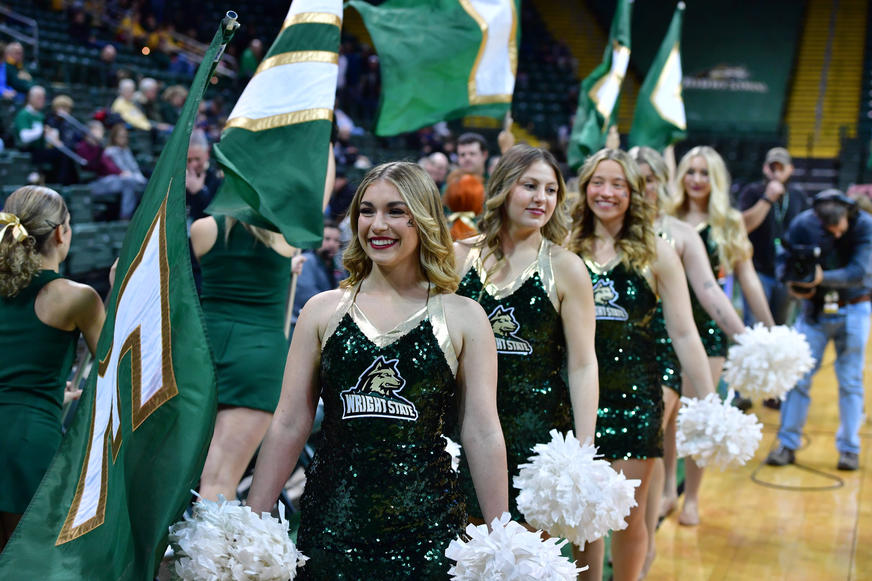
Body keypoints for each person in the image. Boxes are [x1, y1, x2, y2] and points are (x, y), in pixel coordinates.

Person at [247, 162, 508, 578]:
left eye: (395, 211)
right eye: (366, 211)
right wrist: (253, 520)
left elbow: (481, 429)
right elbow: (290, 421)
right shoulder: (322, 311)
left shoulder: (463, 316)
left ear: (422, 218)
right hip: (330, 528)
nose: (377, 225)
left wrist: (502, 536)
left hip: (429, 534)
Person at [570, 149, 716, 581]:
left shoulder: (657, 252)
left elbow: (685, 333)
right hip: (576, 397)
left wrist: (709, 400)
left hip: (636, 397)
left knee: (627, 518)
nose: (608, 192)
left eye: (619, 184)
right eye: (599, 182)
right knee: (583, 517)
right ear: (584, 188)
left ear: (635, 192)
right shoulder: (564, 247)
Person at [453, 145, 598, 564]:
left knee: (529, 562)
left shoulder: (566, 266)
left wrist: (582, 449)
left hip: (538, 436)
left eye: (551, 190)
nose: (541, 198)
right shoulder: (460, 258)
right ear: (502, 187)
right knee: (474, 557)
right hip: (467, 426)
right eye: (530, 185)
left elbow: (584, 362)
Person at [632, 146, 747, 575]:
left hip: (684, 340)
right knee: (656, 445)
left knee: (675, 430)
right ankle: (643, 531)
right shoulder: (603, 232)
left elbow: (714, 290)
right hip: (617, 351)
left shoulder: (681, 233)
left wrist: (753, 337)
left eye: (648, 179)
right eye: (633, 179)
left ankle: (668, 518)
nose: (640, 188)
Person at [669, 145, 774, 527]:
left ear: (716, 179)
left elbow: (747, 278)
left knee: (700, 417)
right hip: (662, 326)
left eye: (703, 173)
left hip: (709, 330)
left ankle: (691, 497)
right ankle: (666, 487)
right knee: (666, 416)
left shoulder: (728, 222)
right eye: (689, 172)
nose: (696, 179)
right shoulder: (666, 217)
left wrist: (768, 328)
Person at [0, 186, 105, 551]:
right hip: (29, 442)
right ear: (61, 232)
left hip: (19, 425)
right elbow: (116, 369)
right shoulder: (75, 296)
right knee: (33, 562)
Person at [191, 213, 303, 502]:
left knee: (177, 480)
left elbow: (234, 269)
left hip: (201, 349)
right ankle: (208, 549)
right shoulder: (289, 233)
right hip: (257, 357)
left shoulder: (202, 229)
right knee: (219, 480)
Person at [766, 189, 872, 472]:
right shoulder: (803, 224)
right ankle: (787, 444)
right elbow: (782, 259)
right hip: (813, 311)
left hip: (855, 307)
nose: (836, 235)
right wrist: (791, 282)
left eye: (839, 228)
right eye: (829, 230)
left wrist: (819, 278)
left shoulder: (864, 225)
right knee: (798, 378)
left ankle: (849, 449)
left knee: (850, 381)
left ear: (848, 214)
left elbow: (860, 271)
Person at [739, 147, 808, 326]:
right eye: (772, 167)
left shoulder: (798, 195)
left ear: (790, 169)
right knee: (756, 326)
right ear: (764, 168)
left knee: (782, 327)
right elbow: (742, 226)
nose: (776, 172)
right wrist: (767, 198)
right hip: (757, 271)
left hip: (786, 273)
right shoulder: (752, 192)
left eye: (781, 167)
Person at [290, 220, 342, 332]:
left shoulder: (337, 266)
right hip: (300, 326)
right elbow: (309, 297)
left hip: (324, 325)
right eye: (327, 239)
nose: (332, 244)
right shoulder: (306, 261)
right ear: (317, 239)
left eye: (336, 240)